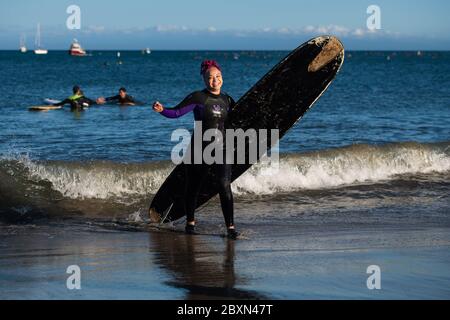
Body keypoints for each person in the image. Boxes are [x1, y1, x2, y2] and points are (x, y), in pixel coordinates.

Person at [152, 60, 238, 239]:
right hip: (200, 148)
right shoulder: (198, 98)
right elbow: (176, 112)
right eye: (210, 77)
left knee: (224, 185)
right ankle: (190, 223)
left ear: (222, 78)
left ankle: (230, 227)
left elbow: (237, 120)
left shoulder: (227, 99)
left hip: (221, 148)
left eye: (218, 77)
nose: (215, 80)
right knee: (193, 187)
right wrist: (162, 110)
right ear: (204, 79)